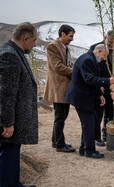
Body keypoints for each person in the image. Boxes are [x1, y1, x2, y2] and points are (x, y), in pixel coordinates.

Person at [0, 22, 38, 187]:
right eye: (34, 40)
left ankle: (15, 183)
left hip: (15, 118)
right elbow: (6, 93)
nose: (35, 44)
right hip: (10, 121)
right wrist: (7, 123)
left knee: (13, 155)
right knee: (8, 156)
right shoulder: (10, 55)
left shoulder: (13, 52)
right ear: (25, 38)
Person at [65, 44, 114, 159]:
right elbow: (89, 79)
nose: (104, 59)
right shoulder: (87, 60)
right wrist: (108, 81)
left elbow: (94, 79)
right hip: (81, 97)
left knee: (89, 123)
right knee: (89, 124)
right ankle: (89, 151)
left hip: (86, 97)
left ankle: (84, 149)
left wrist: (100, 95)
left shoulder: (92, 60)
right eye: (104, 56)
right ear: (98, 51)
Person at [43, 25, 76, 153]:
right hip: (58, 87)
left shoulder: (65, 47)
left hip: (64, 87)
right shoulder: (53, 46)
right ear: (63, 34)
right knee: (60, 117)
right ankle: (60, 144)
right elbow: (58, 67)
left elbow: (67, 64)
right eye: (70, 36)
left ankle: (55, 140)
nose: (72, 39)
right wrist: (75, 72)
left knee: (62, 115)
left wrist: (75, 68)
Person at [89, 30, 114, 145]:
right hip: (100, 84)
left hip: (112, 85)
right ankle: (97, 137)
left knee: (110, 112)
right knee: (98, 113)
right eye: (110, 42)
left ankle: (108, 133)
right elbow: (93, 67)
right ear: (106, 37)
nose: (112, 45)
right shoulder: (96, 47)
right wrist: (99, 84)